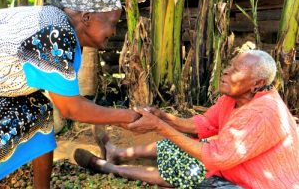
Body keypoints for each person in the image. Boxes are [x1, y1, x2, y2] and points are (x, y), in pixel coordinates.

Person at [74, 50, 299, 189]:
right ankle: (118, 154)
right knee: (186, 147)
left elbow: (217, 158)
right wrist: (163, 117)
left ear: (258, 83)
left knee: (191, 173)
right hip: (233, 163)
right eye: (229, 66)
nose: (226, 72)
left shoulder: (262, 112)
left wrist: (159, 126)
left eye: (235, 70)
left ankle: (106, 167)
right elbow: (202, 125)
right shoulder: (235, 98)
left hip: (258, 183)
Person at [0, 0, 140, 188]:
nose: (114, 32)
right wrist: (128, 117)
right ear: (87, 17)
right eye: (113, 24)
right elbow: (71, 108)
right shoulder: (55, 33)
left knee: (37, 109)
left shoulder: (61, 26)